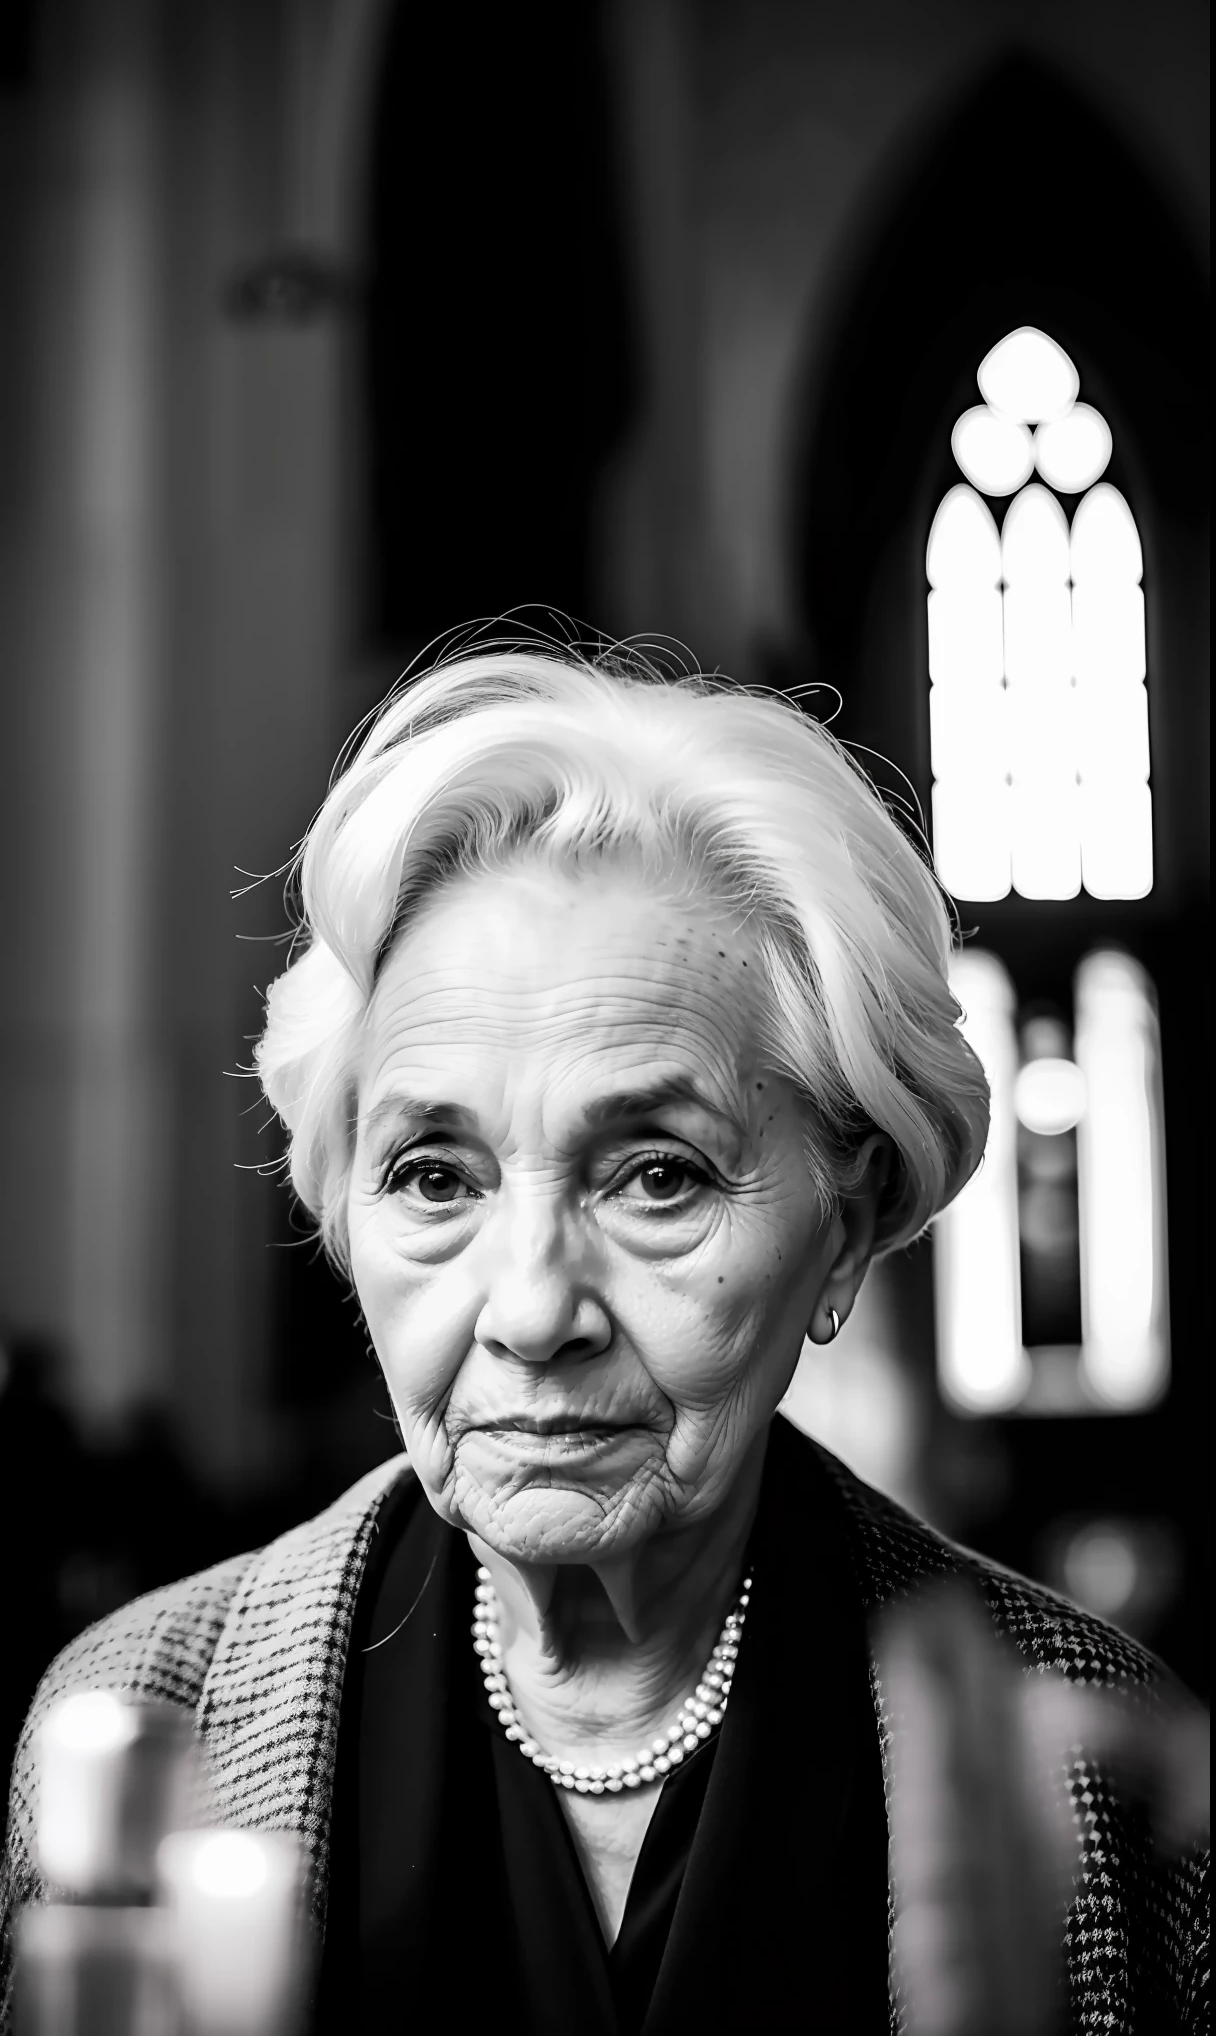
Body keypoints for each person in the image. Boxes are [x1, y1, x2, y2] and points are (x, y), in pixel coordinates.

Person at [1, 646, 1207, 2033]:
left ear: (849, 1220)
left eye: (657, 1177)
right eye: (434, 1177)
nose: (528, 1312)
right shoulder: (134, 1719)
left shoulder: (1097, 1768)